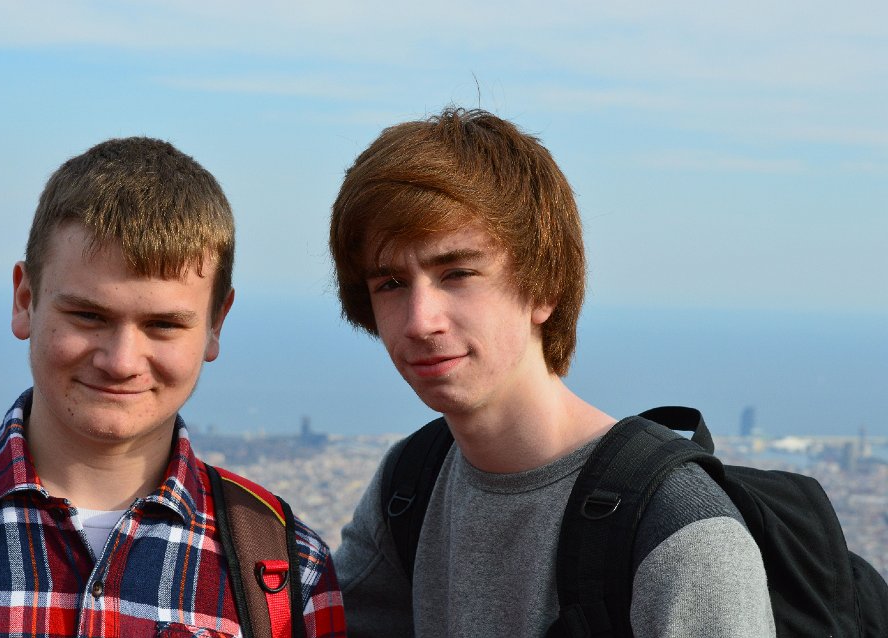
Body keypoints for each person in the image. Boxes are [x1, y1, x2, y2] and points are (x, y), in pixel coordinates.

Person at [328, 108, 775, 637]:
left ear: (544, 288)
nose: (420, 321)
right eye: (391, 284)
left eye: (458, 273)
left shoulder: (677, 534)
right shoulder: (410, 484)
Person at [0, 137, 345, 637]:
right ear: (25, 300)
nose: (121, 362)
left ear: (216, 324)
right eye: (88, 315)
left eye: (163, 325)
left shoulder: (286, 569)